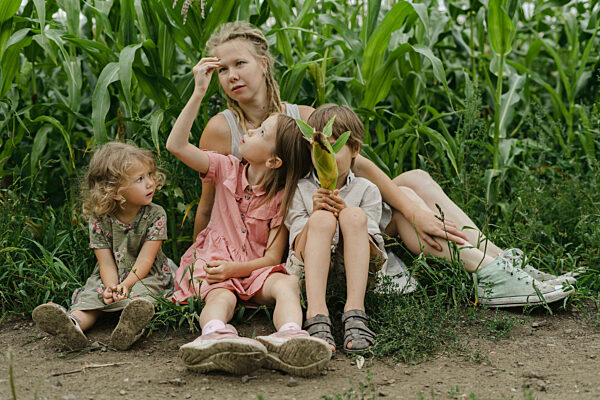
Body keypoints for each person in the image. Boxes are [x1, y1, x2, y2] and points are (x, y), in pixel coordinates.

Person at [192, 21, 575, 307]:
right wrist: (198, 259)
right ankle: (492, 274)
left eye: (239, 63)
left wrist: (412, 208)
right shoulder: (221, 130)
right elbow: (210, 205)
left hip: (339, 209)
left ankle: (501, 264)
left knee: (415, 182)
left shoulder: (302, 114)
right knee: (406, 198)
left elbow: (360, 165)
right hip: (302, 228)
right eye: (222, 70)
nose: (231, 76)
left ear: (263, 64)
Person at [166, 57, 331, 376]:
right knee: (220, 294)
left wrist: (238, 268)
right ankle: (214, 334)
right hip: (215, 264)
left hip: (255, 269)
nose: (250, 131)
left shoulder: (283, 199)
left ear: (273, 162)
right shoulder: (223, 167)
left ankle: (289, 336)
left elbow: (271, 257)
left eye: (260, 134)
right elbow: (176, 145)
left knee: (286, 283)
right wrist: (199, 91)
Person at [32, 142, 176, 351]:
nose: (150, 183)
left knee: (143, 298)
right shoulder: (100, 219)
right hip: (111, 274)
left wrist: (125, 285)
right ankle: (72, 324)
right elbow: (106, 262)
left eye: (150, 175)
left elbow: (146, 259)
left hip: (147, 274)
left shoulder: (155, 214)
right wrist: (111, 287)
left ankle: (130, 328)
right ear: (116, 193)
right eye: (140, 179)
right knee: (93, 296)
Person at [285, 104, 388, 354]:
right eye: (319, 147)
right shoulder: (300, 189)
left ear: (355, 149)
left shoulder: (367, 189)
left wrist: (344, 214)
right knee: (320, 220)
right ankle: (316, 312)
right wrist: (317, 215)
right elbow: (296, 245)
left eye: (335, 145)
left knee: (353, 215)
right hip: (307, 274)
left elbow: (374, 247)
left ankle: (355, 311)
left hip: (356, 272)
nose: (326, 154)